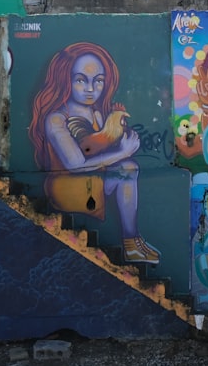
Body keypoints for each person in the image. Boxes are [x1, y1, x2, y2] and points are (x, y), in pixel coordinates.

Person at [28, 41, 160, 263]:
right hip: (67, 187)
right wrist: (123, 152)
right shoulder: (56, 119)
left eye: (98, 81)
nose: (90, 88)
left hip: (94, 181)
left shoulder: (98, 115)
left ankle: (131, 243)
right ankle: (130, 241)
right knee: (126, 167)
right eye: (81, 80)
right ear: (66, 80)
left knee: (128, 168)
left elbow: (101, 156)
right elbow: (75, 164)